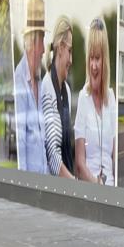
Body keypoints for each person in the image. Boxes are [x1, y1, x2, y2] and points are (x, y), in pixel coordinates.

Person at [74, 16, 118, 186]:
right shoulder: (83, 100)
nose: (93, 65)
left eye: (97, 58)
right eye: (91, 58)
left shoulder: (112, 99)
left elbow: (114, 159)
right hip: (90, 189)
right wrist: (96, 184)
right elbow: (79, 163)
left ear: (104, 60)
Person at [13, 0, 48, 174]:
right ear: (33, 43)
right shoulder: (19, 80)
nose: (43, 50)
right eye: (42, 41)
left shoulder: (39, 82)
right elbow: (20, 144)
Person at [40, 15, 77, 179]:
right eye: (70, 51)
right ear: (61, 48)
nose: (71, 59)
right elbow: (53, 155)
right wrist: (74, 184)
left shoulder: (66, 91)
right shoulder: (47, 88)